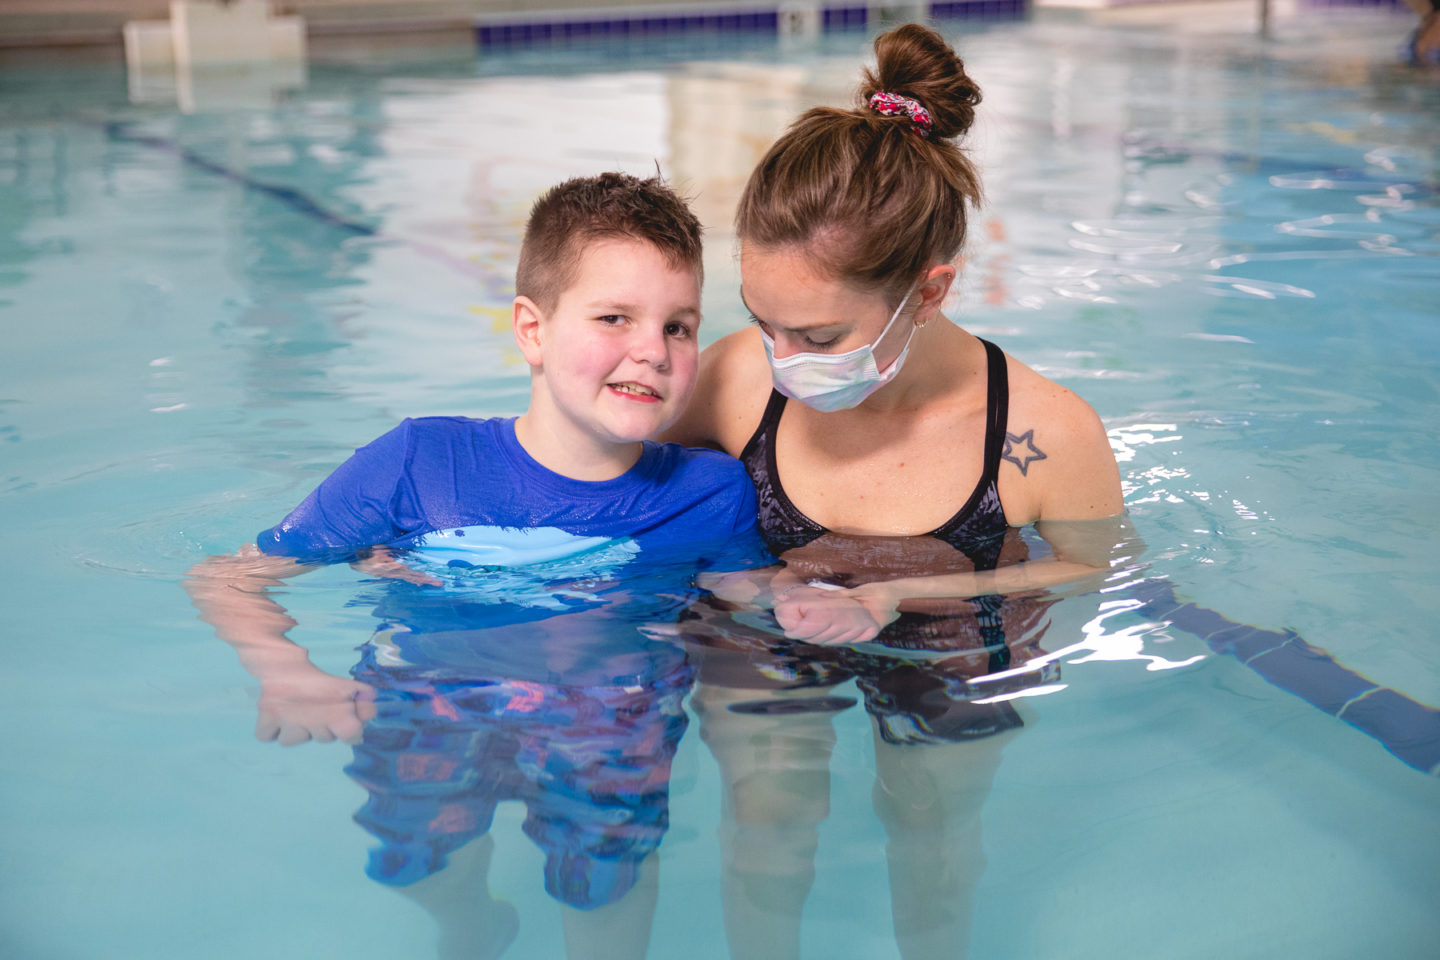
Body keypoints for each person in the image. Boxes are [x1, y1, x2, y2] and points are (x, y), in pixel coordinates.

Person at [185, 171, 763, 960]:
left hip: (608, 715)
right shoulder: (418, 463)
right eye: (614, 318)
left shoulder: (708, 492)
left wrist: (813, 604)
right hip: (433, 703)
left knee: (608, 883)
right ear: (531, 329)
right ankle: (468, 925)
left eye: (680, 326)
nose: (651, 351)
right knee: (413, 866)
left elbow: (751, 598)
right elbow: (230, 576)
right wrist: (285, 669)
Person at [660, 23, 1130, 960]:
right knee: (767, 830)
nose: (782, 359)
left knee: (936, 842)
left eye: (822, 338)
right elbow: (624, 501)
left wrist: (902, 594)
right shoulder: (732, 382)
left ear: (933, 288)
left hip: (956, 628)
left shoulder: (1044, 434)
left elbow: (1087, 574)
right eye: (764, 323)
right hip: (769, 622)